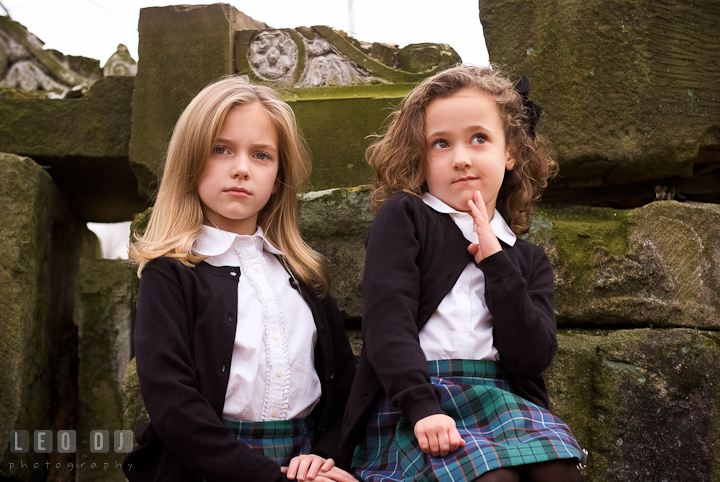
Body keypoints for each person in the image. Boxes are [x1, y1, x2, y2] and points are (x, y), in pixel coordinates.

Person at [341, 65, 587, 482]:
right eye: (440, 143)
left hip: (503, 402)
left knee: (559, 473)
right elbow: (387, 327)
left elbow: (530, 358)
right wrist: (421, 407)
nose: (460, 158)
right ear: (419, 158)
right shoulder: (407, 217)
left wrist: (496, 263)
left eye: (479, 138)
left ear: (509, 152)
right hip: (416, 399)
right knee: (493, 479)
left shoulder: (526, 259)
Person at [123, 75, 357, 482]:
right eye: (221, 149)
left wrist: (324, 457)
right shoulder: (170, 273)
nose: (242, 169)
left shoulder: (303, 274)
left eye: (262, 155)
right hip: (206, 468)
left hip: (306, 464)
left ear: (280, 174)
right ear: (190, 159)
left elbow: (344, 387)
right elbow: (172, 402)